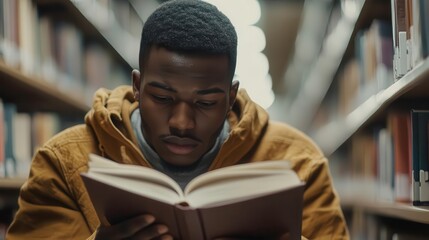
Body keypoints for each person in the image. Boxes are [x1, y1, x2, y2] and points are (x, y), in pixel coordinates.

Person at [6, 0, 349, 239]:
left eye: (206, 102)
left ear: (230, 98)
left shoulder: (297, 163)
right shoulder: (66, 161)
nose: (182, 122)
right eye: (163, 98)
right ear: (137, 87)